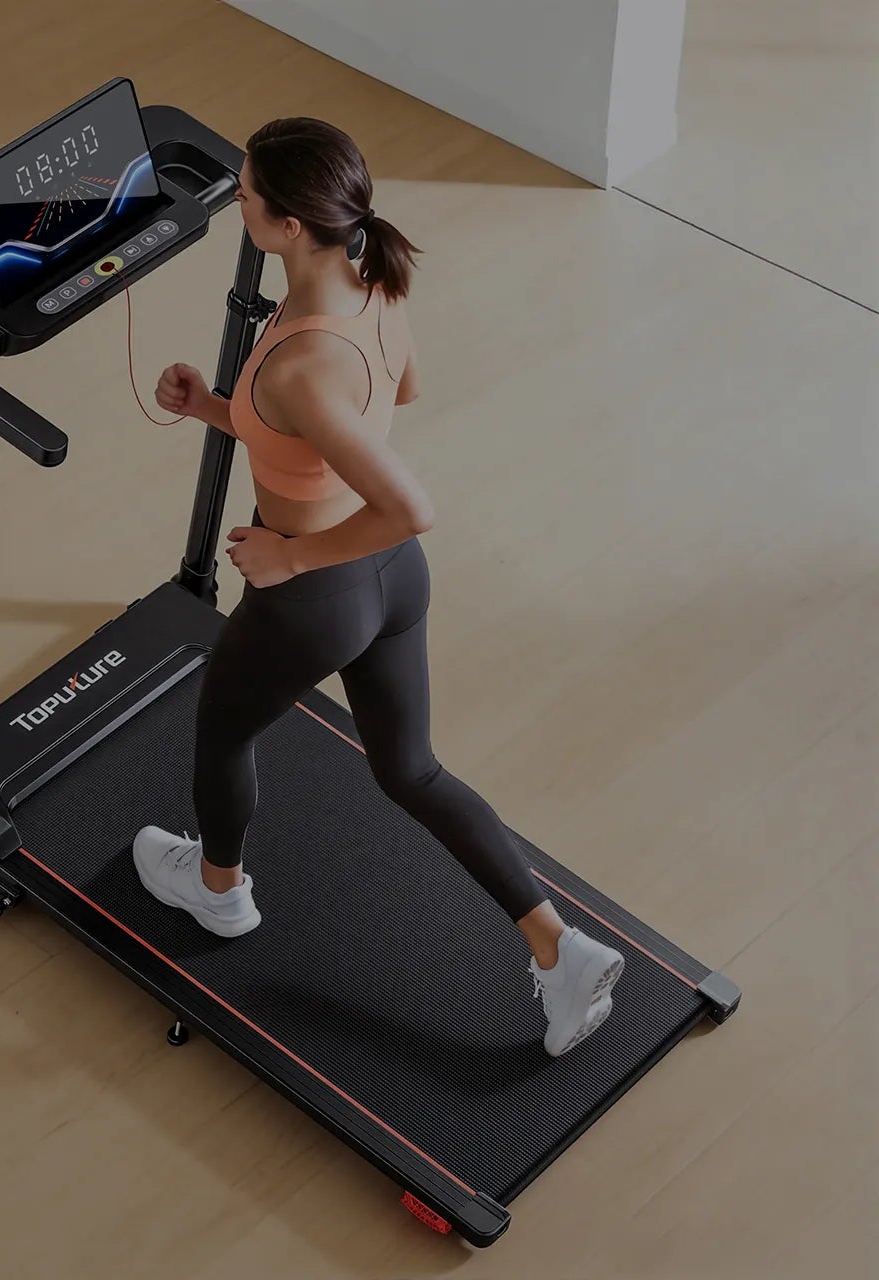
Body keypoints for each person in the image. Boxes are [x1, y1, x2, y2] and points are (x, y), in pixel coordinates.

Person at [135, 118, 622, 1057]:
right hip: (393, 583)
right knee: (412, 769)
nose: (236, 205)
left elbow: (408, 502)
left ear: (283, 227)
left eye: (243, 196)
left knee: (222, 728)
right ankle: (559, 951)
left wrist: (288, 559)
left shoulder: (301, 361)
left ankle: (221, 891)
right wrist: (216, 408)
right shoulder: (375, 284)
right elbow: (391, 398)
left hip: (315, 598)